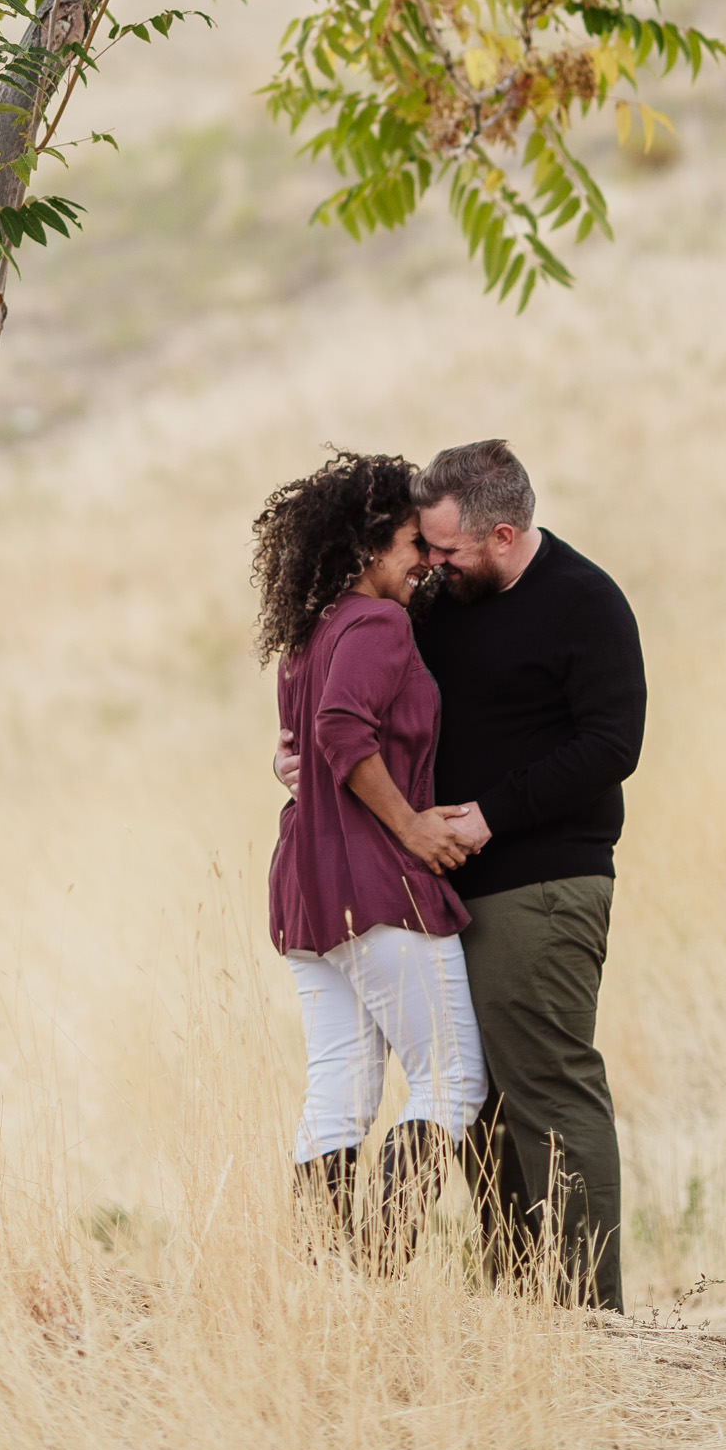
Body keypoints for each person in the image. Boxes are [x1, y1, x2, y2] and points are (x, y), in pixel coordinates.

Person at [413, 438, 646, 1312]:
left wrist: (491, 814)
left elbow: (612, 745)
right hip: (450, 894)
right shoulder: (444, 604)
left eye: (446, 549)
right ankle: (523, 1313)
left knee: (547, 1087)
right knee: (478, 1108)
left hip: (543, 887)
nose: (432, 564)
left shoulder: (586, 603)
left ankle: (589, 1321)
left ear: (503, 535)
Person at [256, 449, 489, 1263]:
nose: (424, 562)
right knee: (452, 1078)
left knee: (341, 1089)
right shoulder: (378, 623)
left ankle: (328, 1290)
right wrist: (415, 829)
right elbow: (337, 735)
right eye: (410, 545)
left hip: (306, 892)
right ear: (365, 547)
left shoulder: (307, 635)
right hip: (373, 880)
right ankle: (378, 1272)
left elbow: (299, 748)